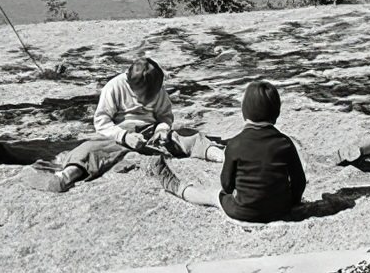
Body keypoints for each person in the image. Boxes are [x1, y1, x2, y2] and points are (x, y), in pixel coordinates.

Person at [26, 56, 224, 193]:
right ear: (130, 85)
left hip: (151, 133)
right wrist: (124, 136)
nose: (146, 101)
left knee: (186, 135)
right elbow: (101, 123)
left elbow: (165, 116)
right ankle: (66, 176)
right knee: (90, 149)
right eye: (142, 97)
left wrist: (163, 129)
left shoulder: (158, 89)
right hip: (119, 136)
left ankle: (218, 155)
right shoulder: (113, 87)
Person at [143, 80, 306, 223]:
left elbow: (226, 185)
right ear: (276, 114)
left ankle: (177, 187)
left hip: (243, 212)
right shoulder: (285, 143)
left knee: (212, 195)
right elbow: (299, 181)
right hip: (280, 210)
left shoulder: (235, 144)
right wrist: (291, 203)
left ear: (244, 113)